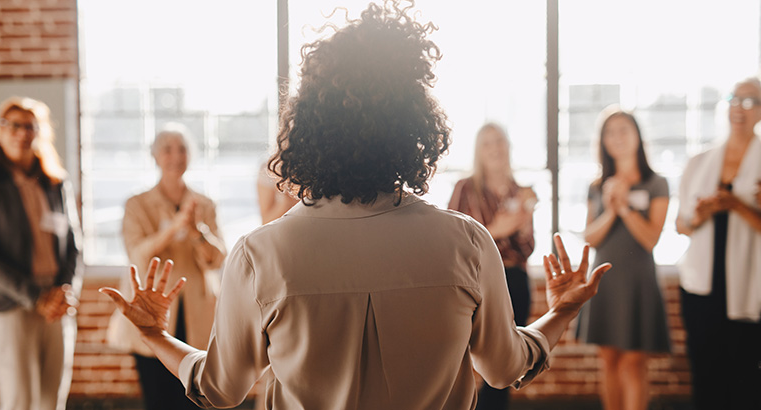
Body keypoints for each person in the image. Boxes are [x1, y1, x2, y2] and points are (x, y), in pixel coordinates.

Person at [100, 2, 610, 409]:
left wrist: (155, 334)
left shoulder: (261, 254)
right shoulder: (467, 242)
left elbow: (219, 388)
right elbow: (505, 367)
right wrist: (562, 311)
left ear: (304, 132)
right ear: (416, 132)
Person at [0, 96, 80, 410]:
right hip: (10, 306)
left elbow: (74, 244)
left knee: (51, 400)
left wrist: (63, 292)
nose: (22, 133)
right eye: (14, 125)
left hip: (57, 305)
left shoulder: (56, 183)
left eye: (31, 126)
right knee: (19, 401)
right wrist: (37, 297)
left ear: (40, 132)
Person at [105, 126, 227, 410]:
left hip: (197, 312)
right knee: (158, 398)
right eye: (167, 149)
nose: (176, 156)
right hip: (152, 307)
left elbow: (218, 258)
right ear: (155, 157)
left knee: (197, 396)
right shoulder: (136, 204)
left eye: (182, 149)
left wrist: (198, 231)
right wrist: (173, 227)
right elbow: (137, 254)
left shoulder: (205, 204)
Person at [675, 77, 761, 410]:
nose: (740, 108)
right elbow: (682, 226)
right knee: (706, 376)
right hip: (703, 289)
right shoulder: (700, 162)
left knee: (744, 380)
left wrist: (739, 206)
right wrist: (699, 214)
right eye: (734, 99)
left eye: (750, 101)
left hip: (748, 288)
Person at [576, 108, 671, 410]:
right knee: (609, 360)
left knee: (634, 361)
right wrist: (612, 208)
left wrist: (625, 206)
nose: (617, 137)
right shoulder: (596, 186)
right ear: (602, 141)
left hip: (638, 280)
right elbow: (590, 237)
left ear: (637, 137)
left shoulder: (656, 183)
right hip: (605, 280)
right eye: (610, 132)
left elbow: (651, 238)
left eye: (623, 130)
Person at [448, 123, 537, 410]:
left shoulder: (522, 193)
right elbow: (451, 241)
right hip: (473, 281)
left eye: (499, 141)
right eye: (487, 143)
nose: (495, 148)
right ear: (478, 151)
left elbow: (527, 248)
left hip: (514, 281)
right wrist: (495, 230)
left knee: (505, 369)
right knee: (460, 361)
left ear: (508, 146)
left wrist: (520, 225)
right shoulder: (465, 189)